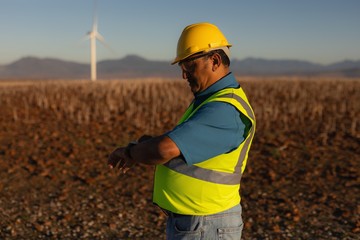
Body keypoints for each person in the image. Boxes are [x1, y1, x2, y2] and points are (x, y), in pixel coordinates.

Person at [108, 22, 256, 239]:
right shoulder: (209, 102)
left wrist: (130, 152)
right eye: (182, 69)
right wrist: (144, 146)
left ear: (215, 61)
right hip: (200, 222)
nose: (184, 76)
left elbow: (165, 149)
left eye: (189, 67)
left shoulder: (225, 110)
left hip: (208, 224)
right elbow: (182, 148)